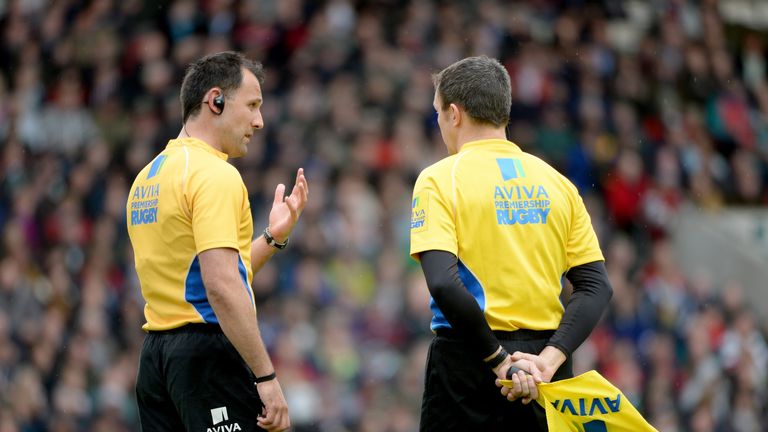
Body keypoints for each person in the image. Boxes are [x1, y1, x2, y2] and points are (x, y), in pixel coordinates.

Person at [409, 55, 613, 430]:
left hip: (470, 362)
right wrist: (549, 360)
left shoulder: (439, 180)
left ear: (454, 114)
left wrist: (499, 359)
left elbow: (441, 282)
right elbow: (595, 285)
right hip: (547, 371)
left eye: (438, 113)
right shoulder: (558, 183)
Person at [126, 51, 308, 432]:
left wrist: (273, 237)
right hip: (206, 357)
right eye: (253, 105)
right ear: (216, 100)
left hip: (157, 363)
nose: (259, 121)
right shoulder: (215, 175)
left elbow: (206, 278)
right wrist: (266, 377)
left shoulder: (148, 177)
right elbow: (221, 287)